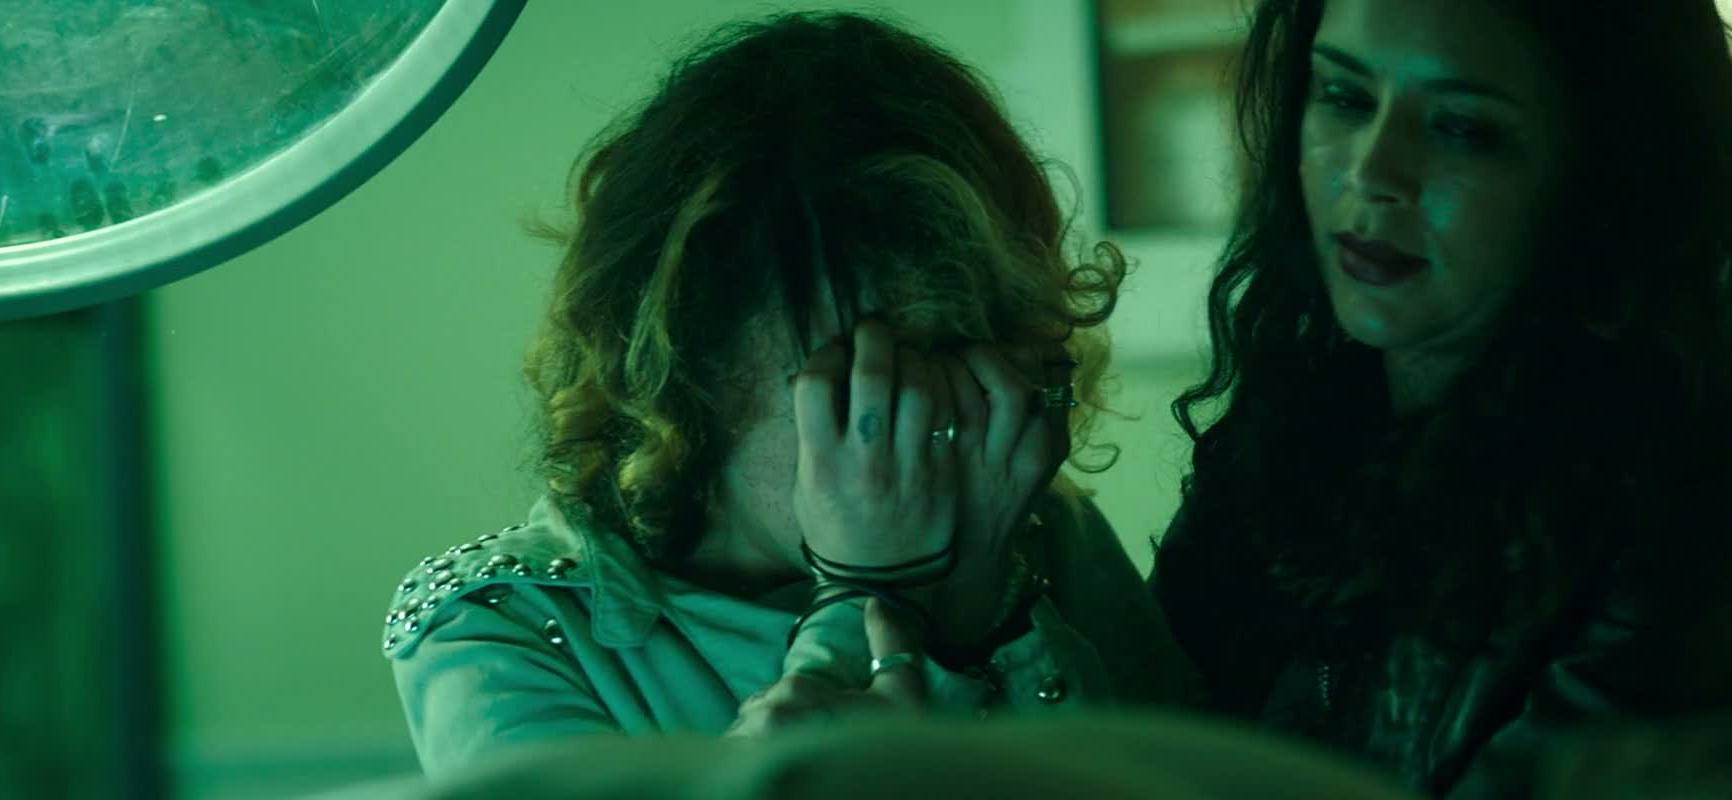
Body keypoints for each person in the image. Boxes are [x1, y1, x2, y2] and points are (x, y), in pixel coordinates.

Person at [722, 0, 1732, 796]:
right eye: (1343, 96)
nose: (1373, 171)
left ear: (1607, 172)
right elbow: (1167, 746)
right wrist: (969, 610)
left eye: (1462, 127)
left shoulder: (1682, 509)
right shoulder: (1296, 432)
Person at [378, 11, 1199, 780]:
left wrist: (983, 607)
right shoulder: (499, 625)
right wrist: (876, 601)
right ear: (683, 364)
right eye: (865, 380)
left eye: (967, 356)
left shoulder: (1048, 536)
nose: (933, 421)